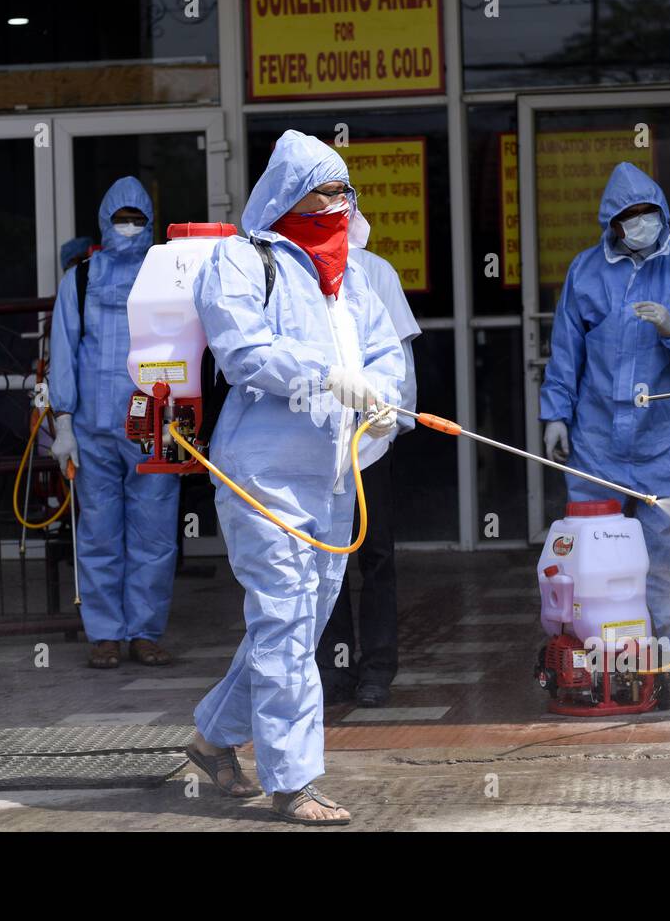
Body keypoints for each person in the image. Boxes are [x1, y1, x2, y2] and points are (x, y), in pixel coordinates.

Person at [187, 130, 404, 824]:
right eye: (330, 190)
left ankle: (212, 738)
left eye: (347, 191)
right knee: (283, 620)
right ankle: (294, 780)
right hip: (263, 475)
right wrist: (322, 376)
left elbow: (383, 354)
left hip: (335, 476)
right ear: (291, 193)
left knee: (295, 628)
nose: (344, 203)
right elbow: (244, 350)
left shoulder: (354, 275)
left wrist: (382, 398)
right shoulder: (243, 261)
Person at [540, 162, 670, 702]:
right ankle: (589, 663)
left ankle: (656, 666)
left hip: (667, 437)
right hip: (597, 437)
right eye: (628, 216)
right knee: (587, 553)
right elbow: (566, 350)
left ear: (663, 213)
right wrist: (556, 414)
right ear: (612, 223)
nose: (640, 222)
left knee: (664, 554)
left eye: (648, 213)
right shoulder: (586, 271)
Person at [48, 178, 180, 669]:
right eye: (121, 219)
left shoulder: (168, 277)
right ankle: (104, 634)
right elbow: (62, 351)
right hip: (94, 429)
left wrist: (180, 416)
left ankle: (145, 632)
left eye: (138, 219)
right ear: (105, 221)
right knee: (98, 534)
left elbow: (185, 346)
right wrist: (63, 422)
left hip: (155, 428)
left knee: (155, 535)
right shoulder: (80, 279)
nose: (129, 228)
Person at [316, 246, 420, 708]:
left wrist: (396, 421)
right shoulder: (291, 271)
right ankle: (335, 669)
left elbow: (399, 355)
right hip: (316, 447)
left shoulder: (375, 271)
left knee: (375, 557)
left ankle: (377, 670)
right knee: (327, 561)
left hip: (370, 444)